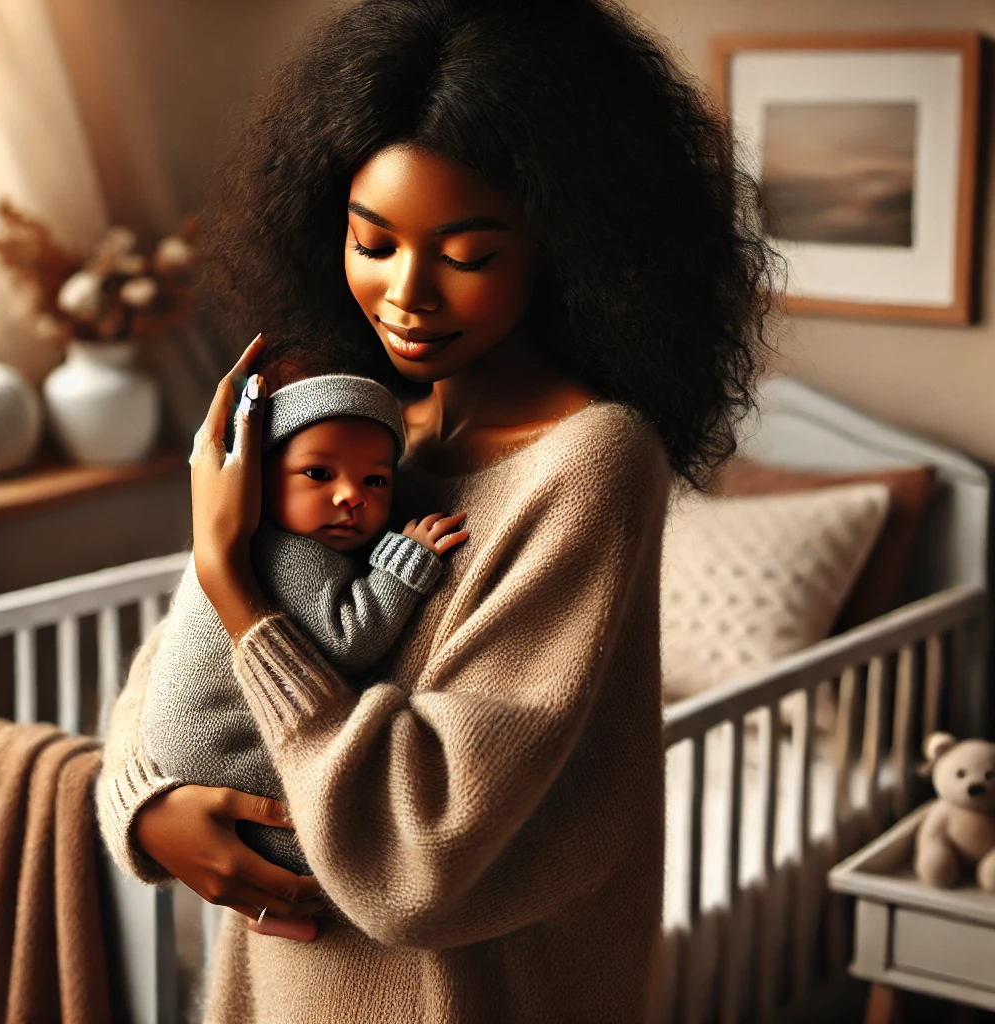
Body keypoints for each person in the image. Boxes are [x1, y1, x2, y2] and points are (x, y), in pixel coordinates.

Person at [97, 0, 778, 1020]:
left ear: (564, 247)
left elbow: (422, 854)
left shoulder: (588, 465)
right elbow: (173, 666)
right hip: (274, 989)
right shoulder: (349, 430)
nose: (406, 294)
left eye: (465, 255)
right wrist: (145, 806)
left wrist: (238, 583)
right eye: (372, 241)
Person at [140, 367, 468, 877]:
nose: (351, 497)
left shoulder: (251, 543)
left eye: (375, 479)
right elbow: (351, 638)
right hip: (217, 748)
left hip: (176, 749)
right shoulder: (289, 553)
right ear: (260, 481)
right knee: (313, 836)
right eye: (319, 474)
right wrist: (402, 563)